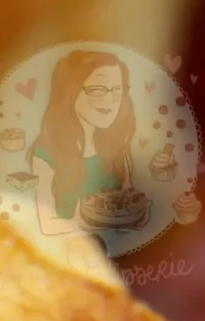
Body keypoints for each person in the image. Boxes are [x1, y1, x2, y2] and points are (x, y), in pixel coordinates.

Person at [30, 48, 143, 247]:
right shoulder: (46, 155)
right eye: (98, 90)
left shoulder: (117, 151)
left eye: (116, 90)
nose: (110, 100)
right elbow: (44, 226)